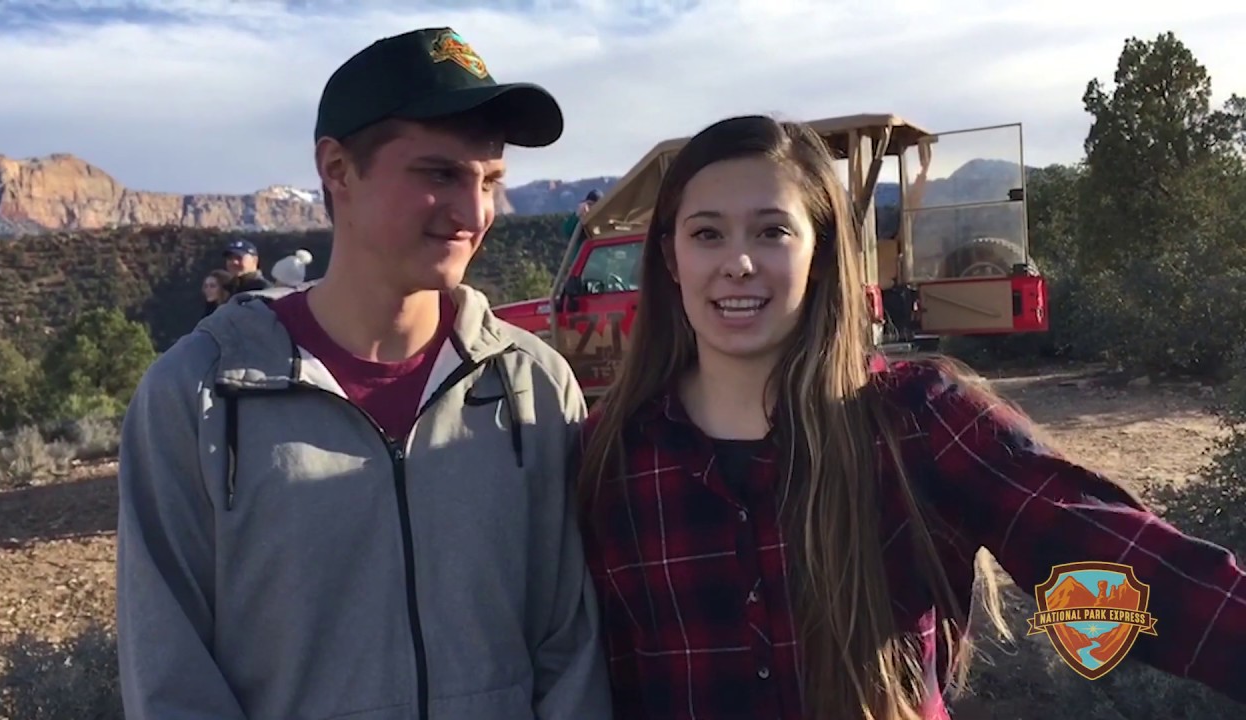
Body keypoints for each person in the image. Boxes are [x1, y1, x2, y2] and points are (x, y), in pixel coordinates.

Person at [573, 115, 1246, 720]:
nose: (738, 263)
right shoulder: (613, 455)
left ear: (823, 250)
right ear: (671, 257)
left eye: (772, 231)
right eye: (707, 233)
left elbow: (1130, 567)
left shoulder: (917, 422)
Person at [116, 27, 611, 720]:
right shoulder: (197, 397)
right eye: (439, 174)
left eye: (490, 181)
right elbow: (171, 679)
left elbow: (570, 652)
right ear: (338, 169)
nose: (475, 214)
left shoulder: (535, 387)